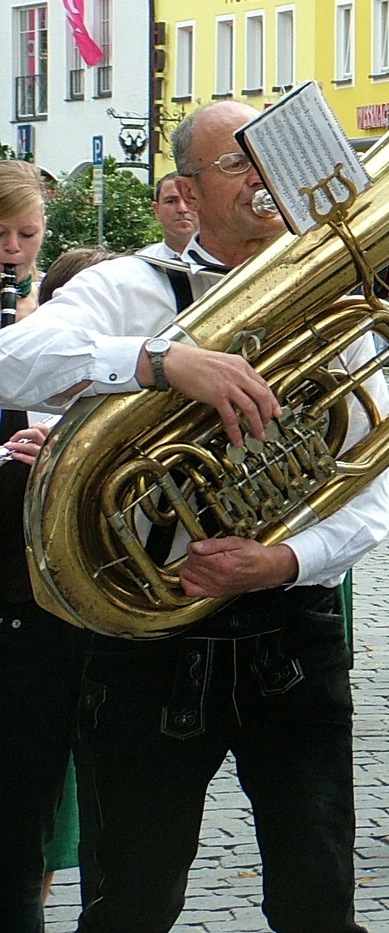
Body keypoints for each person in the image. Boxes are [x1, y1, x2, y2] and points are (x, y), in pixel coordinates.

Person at [0, 100, 389, 933]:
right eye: (238, 163)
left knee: (319, 899)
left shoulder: (333, 300)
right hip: (148, 641)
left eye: (267, 157)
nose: (261, 176)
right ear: (185, 189)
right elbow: (9, 363)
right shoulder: (125, 288)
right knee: (131, 902)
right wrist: (156, 360)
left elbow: (370, 497)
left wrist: (279, 561)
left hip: (291, 634)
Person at [0, 161, 74, 933]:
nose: (13, 249)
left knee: (23, 822)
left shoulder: (50, 331)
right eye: (0, 234)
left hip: (34, 603)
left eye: (27, 234)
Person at [144, 170, 198, 260]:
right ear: (156, 210)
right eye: (171, 201)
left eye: (189, 200)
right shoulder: (140, 266)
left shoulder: (227, 264)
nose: (182, 209)